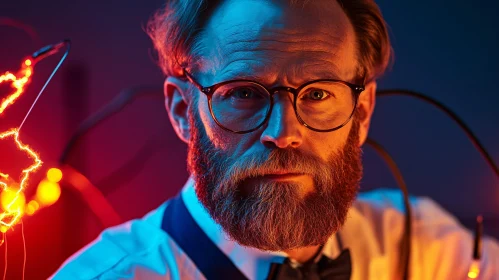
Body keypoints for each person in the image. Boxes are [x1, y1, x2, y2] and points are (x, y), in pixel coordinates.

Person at [51, 0, 499, 279]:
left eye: (319, 93)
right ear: (183, 111)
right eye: (244, 93)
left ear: (361, 113)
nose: (284, 133)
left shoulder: (423, 244)